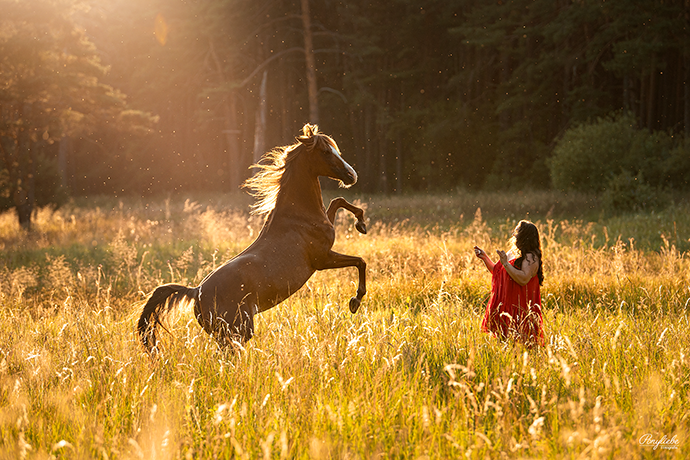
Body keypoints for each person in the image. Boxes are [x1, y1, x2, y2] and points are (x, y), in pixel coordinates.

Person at [474, 220, 545, 347]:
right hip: (507, 302)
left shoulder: (531, 257)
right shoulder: (514, 252)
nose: (514, 234)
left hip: (520, 305)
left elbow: (523, 279)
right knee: (505, 342)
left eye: (517, 231)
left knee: (521, 342)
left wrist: (506, 263)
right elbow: (498, 270)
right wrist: (485, 257)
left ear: (524, 235)